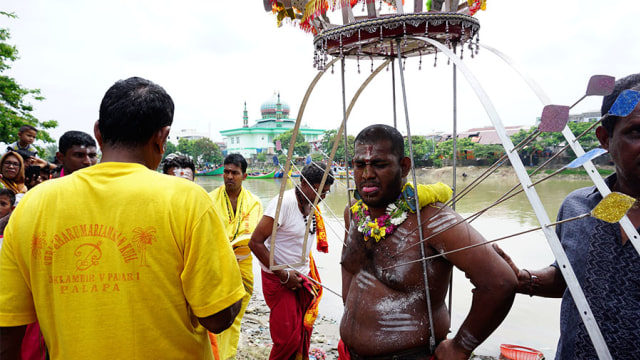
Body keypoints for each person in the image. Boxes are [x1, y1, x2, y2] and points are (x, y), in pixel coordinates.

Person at [0, 76, 245, 360]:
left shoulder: (33, 204)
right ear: (162, 137)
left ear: (98, 133)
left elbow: (8, 328)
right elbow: (217, 317)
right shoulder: (187, 200)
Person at [340, 124, 517, 360]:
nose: (367, 174)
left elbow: (500, 282)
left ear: (404, 166)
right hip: (349, 353)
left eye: (379, 164)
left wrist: (461, 346)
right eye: (360, 165)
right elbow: (349, 270)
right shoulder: (353, 213)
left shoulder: (432, 220)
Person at [495, 73, 640, 359]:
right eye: (636, 132)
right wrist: (520, 279)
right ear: (604, 139)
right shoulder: (580, 208)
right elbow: (570, 278)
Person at [249, 161, 334, 360]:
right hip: (278, 279)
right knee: (287, 339)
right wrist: (284, 274)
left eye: (326, 192)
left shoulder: (312, 203)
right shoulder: (283, 203)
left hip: (302, 276)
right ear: (303, 183)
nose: (322, 197)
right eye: (318, 190)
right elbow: (255, 242)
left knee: (303, 331)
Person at [209, 153, 263, 359]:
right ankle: (215, 353)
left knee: (235, 315)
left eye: (235, 173)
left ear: (245, 176)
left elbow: (256, 234)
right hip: (216, 265)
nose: (229, 176)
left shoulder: (254, 202)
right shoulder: (209, 199)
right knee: (216, 313)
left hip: (242, 265)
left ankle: (226, 355)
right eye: (226, 172)